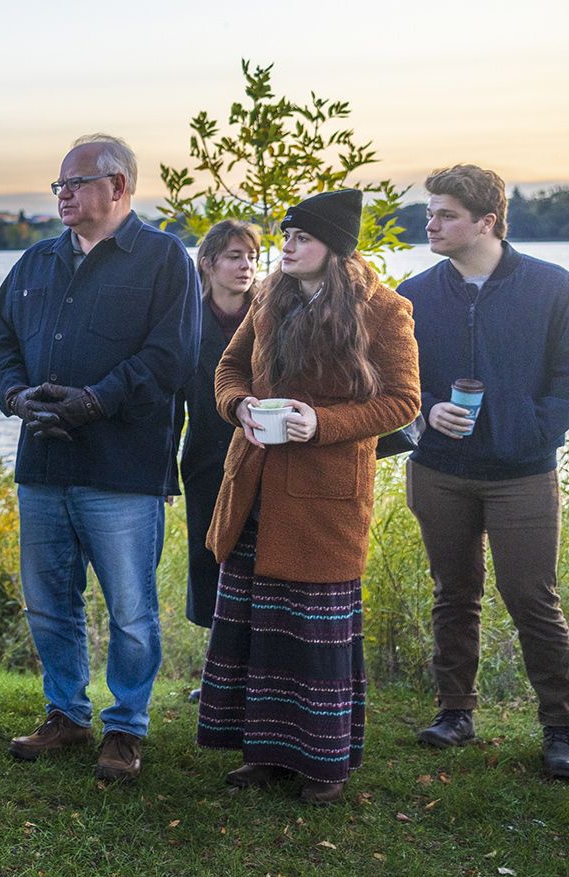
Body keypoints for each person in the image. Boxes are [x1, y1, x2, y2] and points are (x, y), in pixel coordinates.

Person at [0, 135, 199, 781]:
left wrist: (95, 401)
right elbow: (0, 347)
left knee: (131, 609)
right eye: (59, 185)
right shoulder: (34, 263)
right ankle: (67, 714)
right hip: (44, 465)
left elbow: (172, 358)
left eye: (76, 182)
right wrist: (17, 396)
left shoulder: (164, 260)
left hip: (123, 470)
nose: (64, 194)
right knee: (50, 602)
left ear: (120, 186)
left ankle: (126, 727)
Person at [196, 188, 421, 805]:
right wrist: (238, 405)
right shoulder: (268, 297)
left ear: (335, 248)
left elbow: (404, 401)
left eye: (302, 238)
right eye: (286, 236)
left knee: (313, 630)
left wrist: (321, 424)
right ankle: (263, 755)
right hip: (256, 486)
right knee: (258, 623)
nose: (286, 246)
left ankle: (324, 765)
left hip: (324, 496)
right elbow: (228, 368)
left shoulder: (384, 309)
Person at [397, 164, 569, 777]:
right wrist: (422, 414)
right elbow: (396, 384)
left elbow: (564, 378)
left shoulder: (553, 286)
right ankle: (455, 711)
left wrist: (535, 430)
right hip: (440, 470)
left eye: (444, 214)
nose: (432, 223)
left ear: (485, 222)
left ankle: (561, 726)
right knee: (454, 593)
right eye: (431, 213)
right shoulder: (413, 295)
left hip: (522, 472)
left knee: (532, 597)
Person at [179, 222, 262, 635]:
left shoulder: (272, 312)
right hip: (205, 457)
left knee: (261, 561)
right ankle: (216, 669)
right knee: (210, 556)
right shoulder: (185, 318)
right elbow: (169, 398)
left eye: (251, 257)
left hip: (264, 454)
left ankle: (260, 666)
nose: (246, 266)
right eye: (234, 256)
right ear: (208, 263)